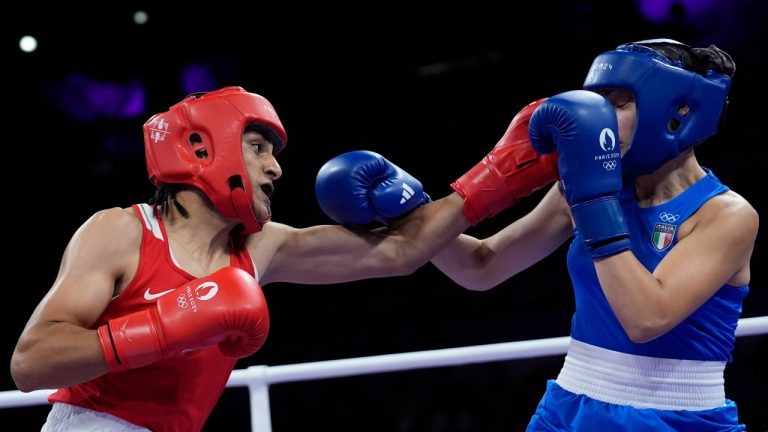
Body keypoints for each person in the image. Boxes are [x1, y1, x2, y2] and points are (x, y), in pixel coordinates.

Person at [10, 86, 559, 432]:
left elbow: (401, 251)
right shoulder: (121, 231)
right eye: (258, 148)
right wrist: (162, 326)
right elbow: (30, 363)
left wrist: (493, 178)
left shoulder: (259, 247)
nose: (275, 169)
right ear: (204, 147)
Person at [428, 39, 757, 430]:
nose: (599, 118)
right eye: (598, 103)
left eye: (619, 104)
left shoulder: (726, 215)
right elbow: (481, 267)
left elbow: (646, 318)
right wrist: (411, 210)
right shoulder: (587, 188)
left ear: (678, 112)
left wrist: (592, 202)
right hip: (568, 405)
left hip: (675, 417)